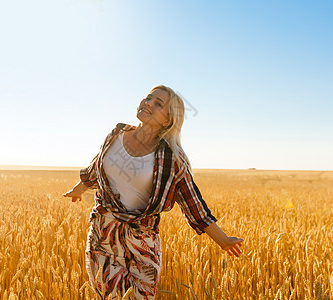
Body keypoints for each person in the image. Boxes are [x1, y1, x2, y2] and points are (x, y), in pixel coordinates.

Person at [63, 85, 244, 299]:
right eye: (148, 98)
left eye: (158, 104)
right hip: (104, 235)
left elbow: (193, 203)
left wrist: (223, 239)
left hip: (143, 243)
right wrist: (79, 188)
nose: (148, 103)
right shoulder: (115, 135)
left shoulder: (171, 158)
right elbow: (97, 168)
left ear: (168, 120)